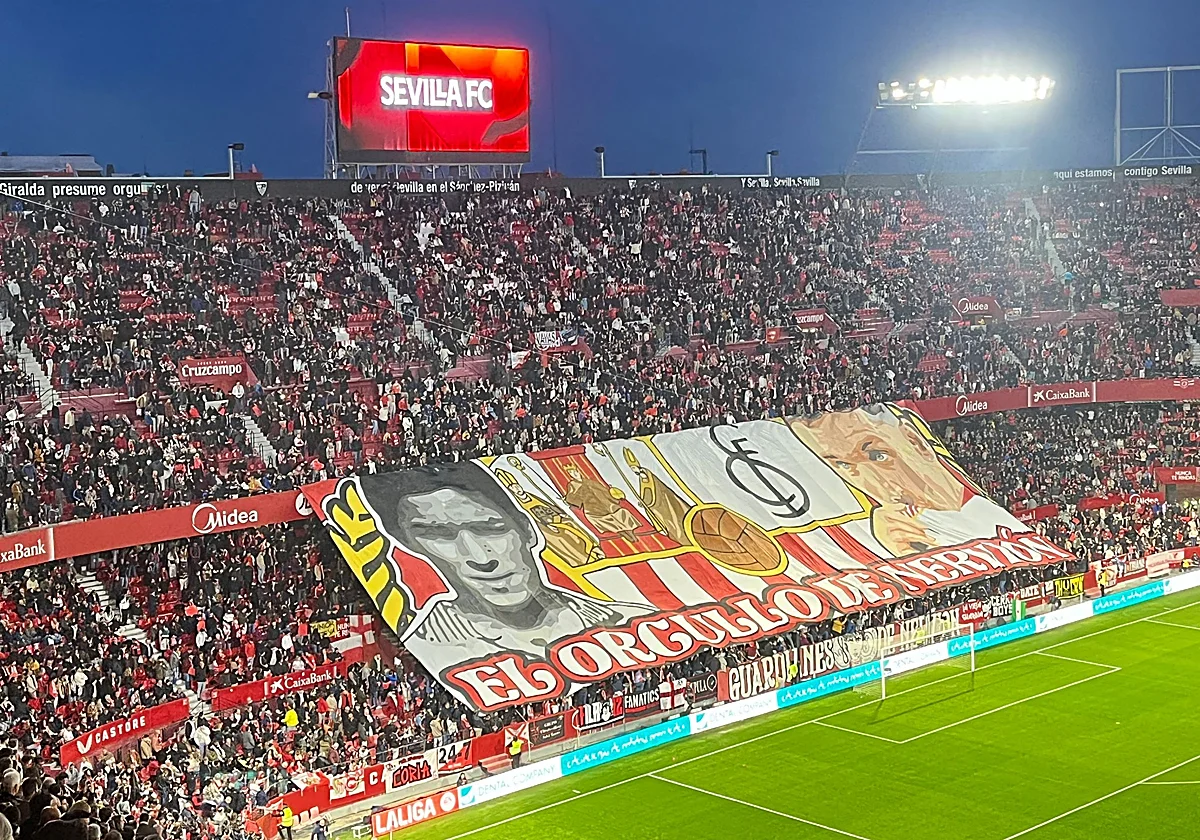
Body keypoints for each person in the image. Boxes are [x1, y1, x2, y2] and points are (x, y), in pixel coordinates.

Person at [345, 466, 646, 665]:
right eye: (439, 535)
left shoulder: (627, 616)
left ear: (527, 530)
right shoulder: (427, 644)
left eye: (491, 528)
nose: (481, 558)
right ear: (411, 546)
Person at [789, 405, 1030, 558]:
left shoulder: (988, 518)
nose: (875, 482)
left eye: (878, 455)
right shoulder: (888, 531)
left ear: (915, 442)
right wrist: (902, 551)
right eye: (843, 465)